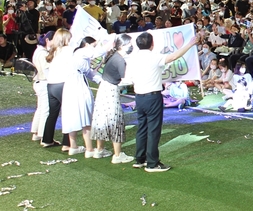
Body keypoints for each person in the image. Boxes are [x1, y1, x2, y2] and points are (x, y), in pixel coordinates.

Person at [124, 31, 198, 172]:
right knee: (153, 130)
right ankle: (152, 163)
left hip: (139, 96)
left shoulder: (133, 59)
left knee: (142, 127)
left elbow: (129, 78)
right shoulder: (154, 57)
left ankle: (140, 159)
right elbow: (174, 56)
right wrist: (190, 44)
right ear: (152, 44)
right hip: (152, 96)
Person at [90, 34, 135, 164]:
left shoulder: (112, 56)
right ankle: (117, 154)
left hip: (104, 89)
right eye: (130, 44)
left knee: (101, 119)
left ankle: (99, 149)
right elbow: (124, 79)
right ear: (124, 45)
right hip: (111, 90)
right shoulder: (120, 60)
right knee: (115, 120)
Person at [62, 36, 107, 157]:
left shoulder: (78, 55)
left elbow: (89, 72)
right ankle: (89, 149)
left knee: (74, 115)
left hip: (72, 85)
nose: (94, 47)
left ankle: (74, 146)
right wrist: (109, 44)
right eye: (93, 45)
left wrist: (101, 80)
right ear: (86, 44)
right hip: (77, 86)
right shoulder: (81, 52)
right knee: (85, 115)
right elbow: (96, 53)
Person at [41, 29, 72, 151]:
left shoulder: (54, 51)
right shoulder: (67, 50)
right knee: (67, 113)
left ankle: (47, 139)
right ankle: (67, 143)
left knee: (52, 113)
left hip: (51, 84)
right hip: (62, 84)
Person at [30, 31, 53, 143]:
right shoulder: (43, 53)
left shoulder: (38, 50)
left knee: (40, 108)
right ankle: (44, 135)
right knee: (45, 110)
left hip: (38, 81)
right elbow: (47, 69)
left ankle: (36, 133)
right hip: (43, 82)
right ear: (48, 40)